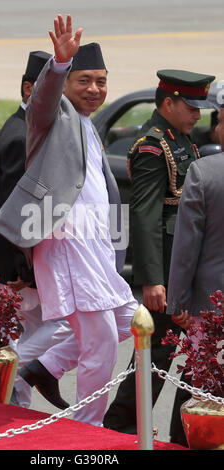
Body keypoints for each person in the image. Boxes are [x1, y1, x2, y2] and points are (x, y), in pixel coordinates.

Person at [0, 14, 138, 427]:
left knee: (130, 322)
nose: (94, 89)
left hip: (97, 248)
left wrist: (115, 243)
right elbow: (41, 102)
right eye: (84, 80)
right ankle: (89, 427)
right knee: (103, 341)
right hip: (67, 247)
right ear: (68, 84)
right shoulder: (51, 119)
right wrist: (57, 65)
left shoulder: (90, 126)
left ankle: (41, 367)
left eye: (101, 81)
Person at [103, 69, 215, 445]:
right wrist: (152, 279)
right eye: (191, 106)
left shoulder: (181, 140)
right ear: (168, 103)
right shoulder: (152, 147)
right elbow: (146, 216)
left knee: (197, 362)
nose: (198, 114)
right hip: (166, 274)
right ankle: (120, 427)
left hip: (184, 271)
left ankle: (181, 434)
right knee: (156, 360)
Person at [0, 51, 72, 409]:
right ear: (30, 88)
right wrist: (22, 269)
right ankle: (16, 371)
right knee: (64, 325)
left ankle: (17, 407)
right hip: (17, 266)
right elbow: (16, 211)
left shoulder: (22, 128)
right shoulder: (20, 136)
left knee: (28, 331)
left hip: (16, 264)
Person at [165, 106, 224, 437]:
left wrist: (178, 303)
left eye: (218, 121)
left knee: (200, 386)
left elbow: (185, 248)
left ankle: (183, 441)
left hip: (209, 307)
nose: (215, 129)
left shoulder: (203, 172)